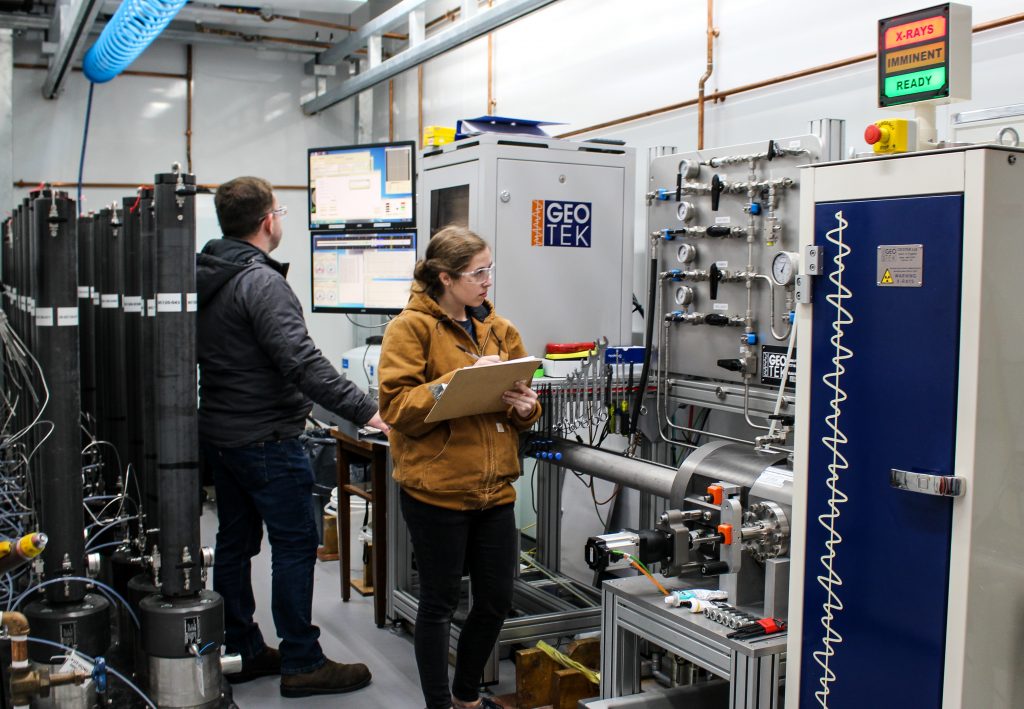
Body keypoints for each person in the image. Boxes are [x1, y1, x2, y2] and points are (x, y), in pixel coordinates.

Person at [196, 176, 388, 698]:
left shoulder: (210, 274)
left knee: (234, 543)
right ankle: (302, 660)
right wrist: (368, 410)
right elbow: (301, 362)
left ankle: (245, 647)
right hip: (265, 439)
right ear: (268, 221)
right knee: (295, 543)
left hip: (222, 432)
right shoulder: (260, 282)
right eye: (279, 211)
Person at [378, 226, 541, 709]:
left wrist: (526, 406)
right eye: (478, 272)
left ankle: (467, 696)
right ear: (446, 278)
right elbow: (396, 407)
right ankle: (439, 705)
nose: (488, 281)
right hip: (437, 491)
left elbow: (523, 409)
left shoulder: (500, 330)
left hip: (494, 490)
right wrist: (457, 384)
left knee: (493, 600)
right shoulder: (410, 329)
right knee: (439, 604)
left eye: (490, 269)